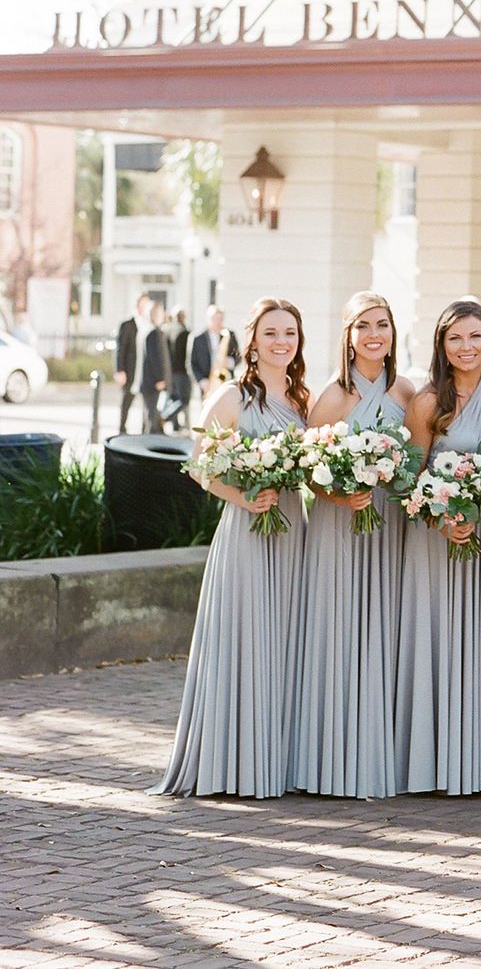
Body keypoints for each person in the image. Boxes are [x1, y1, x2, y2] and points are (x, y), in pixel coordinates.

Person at [152, 298, 311, 797]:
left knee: (285, 640)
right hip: (247, 530)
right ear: (252, 341)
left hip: (293, 531)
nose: (281, 341)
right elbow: (198, 465)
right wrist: (242, 495)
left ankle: (277, 761)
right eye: (271, 333)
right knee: (244, 637)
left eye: (290, 333)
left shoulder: (303, 401)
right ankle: (233, 761)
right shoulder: (230, 398)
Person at [296, 290, 415, 798]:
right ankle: (333, 754)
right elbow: (308, 468)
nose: (374, 335)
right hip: (340, 525)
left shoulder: (406, 391)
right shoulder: (333, 395)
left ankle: (379, 751)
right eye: (363, 325)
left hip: (388, 522)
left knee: (384, 630)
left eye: (382, 324)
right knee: (343, 629)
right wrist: (341, 496)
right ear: (347, 336)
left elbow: (417, 457)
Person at [395, 299, 481, 796]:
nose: (467, 347)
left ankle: (480, 760)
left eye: (475, 336)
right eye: (456, 338)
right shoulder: (426, 402)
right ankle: (435, 762)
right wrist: (441, 522)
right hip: (436, 540)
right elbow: (407, 480)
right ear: (442, 345)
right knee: (438, 642)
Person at [114, 292, 151, 434]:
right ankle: (122, 429)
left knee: (146, 404)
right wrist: (120, 370)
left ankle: (144, 430)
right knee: (127, 401)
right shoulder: (127, 325)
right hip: (130, 370)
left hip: (144, 371)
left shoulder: (149, 325)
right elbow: (120, 349)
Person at [138, 300, 171, 434]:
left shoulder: (145, 329)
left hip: (147, 382)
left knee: (149, 415)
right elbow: (154, 357)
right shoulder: (152, 332)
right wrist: (160, 379)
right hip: (152, 382)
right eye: (161, 312)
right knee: (151, 417)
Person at [188, 304, 239, 385]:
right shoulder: (198, 339)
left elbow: (238, 356)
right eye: (214, 319)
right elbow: (192, 363)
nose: (218, 322)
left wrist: (229, 362)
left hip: (225, 380)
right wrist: (201, 381)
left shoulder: (229, 335)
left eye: (220, 319)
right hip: (207, 382)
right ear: (208, 319)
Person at [164, 309, 193, 431]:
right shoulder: (184, 332)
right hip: (182, 371)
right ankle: (165, 416)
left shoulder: (166, 330)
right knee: (184, 400)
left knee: (173, 398)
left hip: (169, 372)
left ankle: (175, 426)